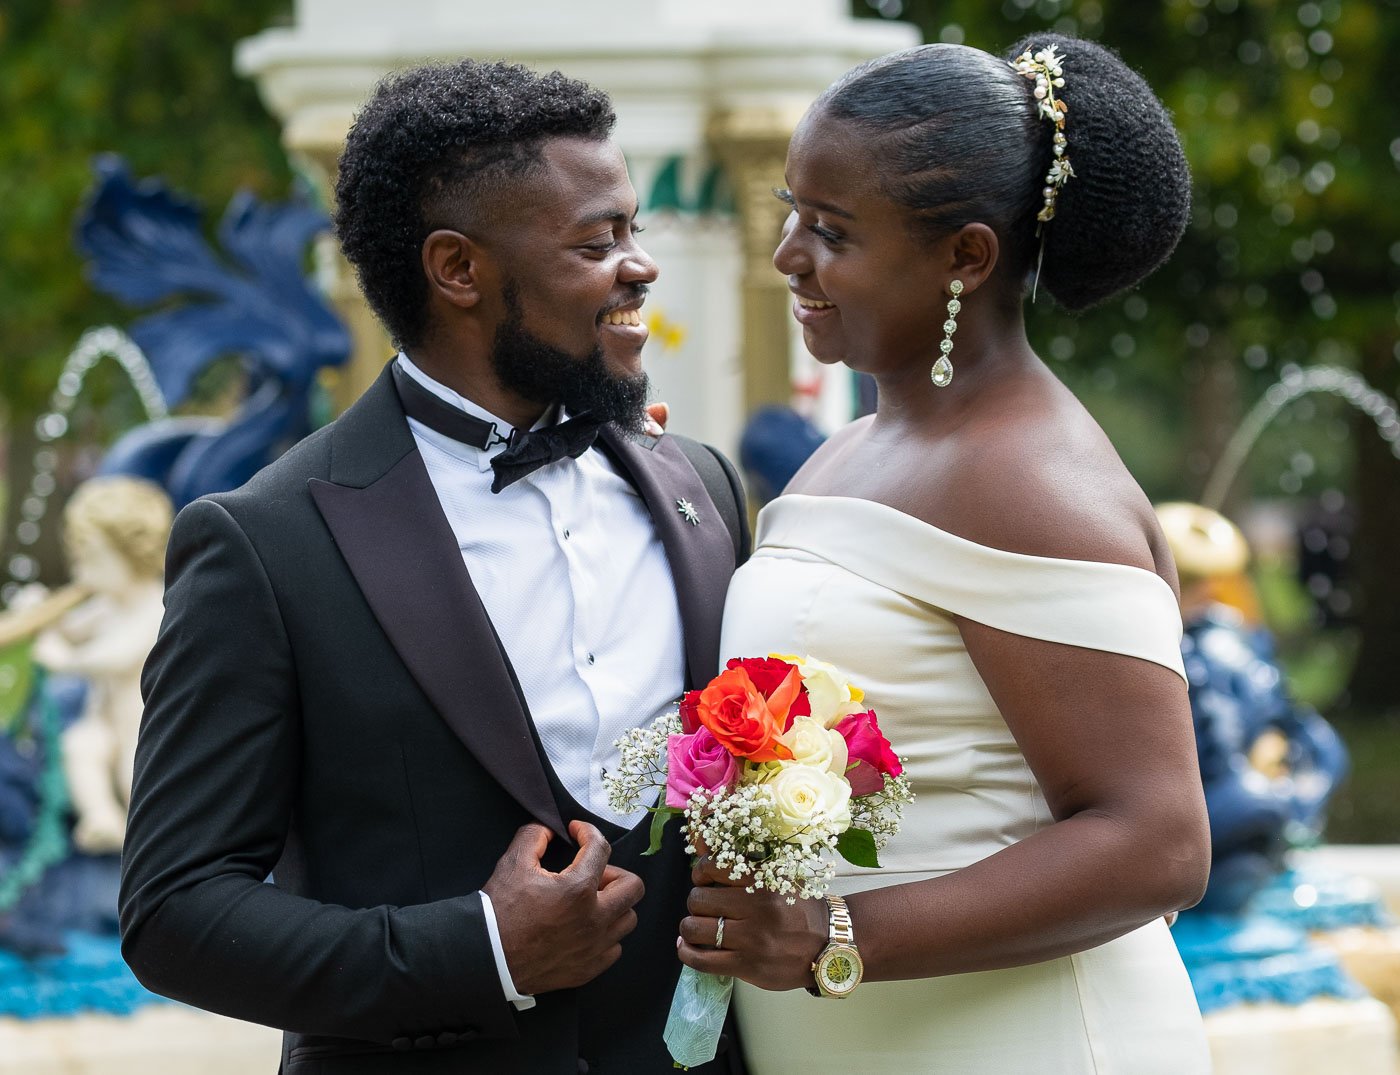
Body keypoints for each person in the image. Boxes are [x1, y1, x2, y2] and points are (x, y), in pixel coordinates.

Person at [119, 60, 748, 1074]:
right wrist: (481, 950)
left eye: (632, 231)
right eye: (597, 242)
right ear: (457, 270)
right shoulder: (266, 542)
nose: (639, 267)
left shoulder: (703, 491)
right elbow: (172, 910)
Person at [676, 35, 1213, 1073]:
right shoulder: (844, 454)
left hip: (1023, 1038)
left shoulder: (1033, 482)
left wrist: (835, 936)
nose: (789, 252)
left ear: (964, 257)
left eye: (830, 230)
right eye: (792, 210)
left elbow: (1157, 841)